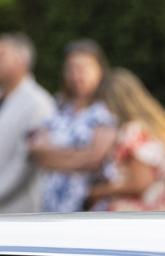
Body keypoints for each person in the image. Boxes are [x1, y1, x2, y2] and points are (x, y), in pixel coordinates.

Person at [29, 40, 116, 212]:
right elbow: (37, 152)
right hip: (51, 205)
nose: (77, 75)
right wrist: (80, 155)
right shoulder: (58, 106)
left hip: (86, 208)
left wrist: (54, 156)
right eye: (71, 68)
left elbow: (95, 159)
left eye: (84, 68)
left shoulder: (106, 110)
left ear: (100, 70)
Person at [86, 68, 165, 211]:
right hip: (158, 208)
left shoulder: (133, 132)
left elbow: (139, 182)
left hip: (130, 214)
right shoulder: (162, 126)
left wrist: (96, 192)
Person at [0, 34, 54, 213]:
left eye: (1, 55)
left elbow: (25, 163)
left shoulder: (38, 103)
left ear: (21, 61)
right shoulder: (5, 97)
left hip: (18, 211)